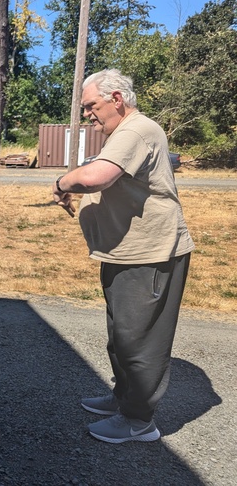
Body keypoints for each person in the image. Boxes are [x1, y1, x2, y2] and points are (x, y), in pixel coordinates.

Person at [53, 69, 194, 444]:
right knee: (120, 335)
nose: (87, 114)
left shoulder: (134, 130)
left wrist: (61, 183)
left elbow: (96, 176)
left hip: (149, 253)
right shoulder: (128, 133)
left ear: (116, 98)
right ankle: (123, 397)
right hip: (126, 252)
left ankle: (138, 421)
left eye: (90, 106)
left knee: (139, 340)